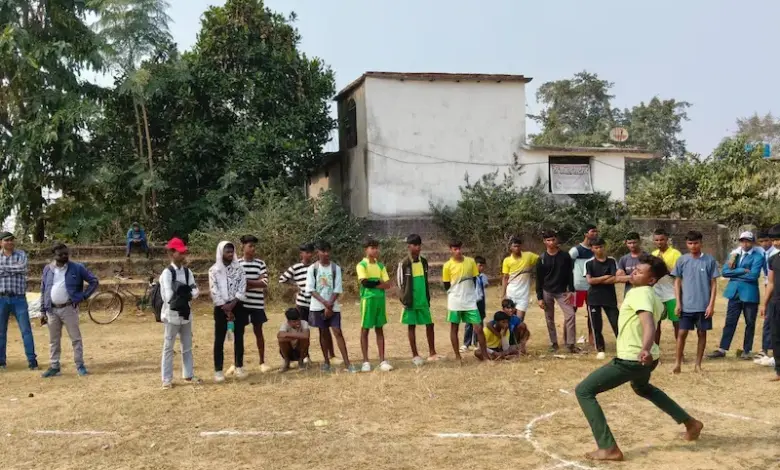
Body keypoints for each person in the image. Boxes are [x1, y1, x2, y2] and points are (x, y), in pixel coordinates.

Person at [575, 254, 703, 462]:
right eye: (634, 269)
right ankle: (691, 423)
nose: (634, 272)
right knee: (643, 388)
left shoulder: (640, 294)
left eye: (640, 271)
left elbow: (648, 324)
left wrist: (644, 348)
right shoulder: (653, 296)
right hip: (648, 359)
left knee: (584, 391)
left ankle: (608, 448)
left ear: (651, 280)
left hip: (632, 359)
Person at [40, 243, 99, 378]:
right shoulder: (48, 269)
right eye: (61, 254)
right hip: (52, 310)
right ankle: (54, 366)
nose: (64, 256)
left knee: (75, 339)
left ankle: (80, 365)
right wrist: (42, 311)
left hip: (69, 309)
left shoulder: (77, 268)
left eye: (66, 253)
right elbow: (43, 290)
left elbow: (94, 281)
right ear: (54, 255)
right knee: (54, 340)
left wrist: (83, 296)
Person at [280, 243, 339, 364]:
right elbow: (282, 279)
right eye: (306, 252)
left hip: (317, 303)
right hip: (302, 303)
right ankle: (305, 356)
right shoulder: (296, 268)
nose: (309, 255)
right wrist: (296, 285)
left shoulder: (316, 267)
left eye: (311, 252)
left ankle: (331, 355)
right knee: (302, 329)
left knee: (324, 329)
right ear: (301, 254)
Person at [708, 231, 763, 360]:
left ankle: (747, 350)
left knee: (750, 323)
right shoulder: (734, 255)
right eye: (743, 241)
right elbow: (725, 272)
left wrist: (735, 274)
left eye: (748, 241)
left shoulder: (758, 256)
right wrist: (742, 270)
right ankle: (722, 349)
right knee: (730, 321)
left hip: (749, 294)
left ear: (752, 242)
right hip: (734, 293)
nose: (745, 243)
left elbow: (754, 275)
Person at [672, 231, 719, 374]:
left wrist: (711, 305)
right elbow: (677, 282)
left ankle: (698, 365)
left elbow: (713, 284)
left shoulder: (709, 260)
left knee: (702, 333)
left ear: (701, 243)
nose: (693, 246)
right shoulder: (682, 260)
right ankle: (677, 363)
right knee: (682, 333)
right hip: (686, 305)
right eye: (690, 243)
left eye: (696, 243)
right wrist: (678, 303)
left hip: (703, 306)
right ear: (686, 244)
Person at [306, 240, 357, 373]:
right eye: (323, 251)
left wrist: (329, 306)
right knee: (323, 332)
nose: (326, 254)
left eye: (328, 251)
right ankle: (326, 362)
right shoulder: (312, 269)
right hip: (318, 306)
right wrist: (324, 303)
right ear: (318, 252)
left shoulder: (335, 268)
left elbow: (337, 289)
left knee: (337, 332)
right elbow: (311, 289)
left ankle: (347, 363)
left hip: (333, 305)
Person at [159, 238, 200, 389]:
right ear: (171, 253)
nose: (182, 255)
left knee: (187, 346)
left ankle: (188, 374)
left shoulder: (188, 272)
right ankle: (166, 379)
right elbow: (168, 296)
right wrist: (187, 293)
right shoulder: (167, 273)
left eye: (183, 252)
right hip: (171, 315)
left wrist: (184, 293)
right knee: (168, 347)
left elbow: (195, 291)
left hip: (186, 314)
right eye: (179, 252)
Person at [396, 234, 443, 365]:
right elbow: (399, 283)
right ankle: (415, 355)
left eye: (419, 245)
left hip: (423, 300)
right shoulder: (404, 263)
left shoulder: (424, 262)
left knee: (430, 324)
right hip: (410, 301)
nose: (417, 248)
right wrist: (404, 299)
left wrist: (427, 297)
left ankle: (432, 353)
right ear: (409, 246)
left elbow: (425, 281)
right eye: (414, 245)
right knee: (411, 326)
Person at [208, 241, 248, 382]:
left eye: (232, 252)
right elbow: (213, 289)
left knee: (239, 337)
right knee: (219, 339)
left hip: (237, 305)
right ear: (221, 253)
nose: (230, 254)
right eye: (227, 252)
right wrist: (224, 307)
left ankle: (239, 366)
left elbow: (242, 287)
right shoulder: (214, 270)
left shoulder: (239, 269)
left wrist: (233, 303)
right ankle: (218, 370)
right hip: (221, 308)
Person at [443, 240, 488, 362]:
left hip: (470, 301)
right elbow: (446, 285)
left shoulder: (470, 262)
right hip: (455, 301)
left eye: (459, 248)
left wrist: (469, 293)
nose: (458, 251)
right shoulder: (447, 265)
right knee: (454, 327)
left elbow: (474, 279)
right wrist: (456, 292)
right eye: (455, 249)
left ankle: (485, 356)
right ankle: (458, 357)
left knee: (478, 328)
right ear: (451, 250)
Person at [0, 231, 37, 370]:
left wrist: (3, 269)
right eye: (6, 240)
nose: (10, 242)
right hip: (1, 299)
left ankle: (32, 361)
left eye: (11, 240)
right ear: (1, 242)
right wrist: (14, 269)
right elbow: (18, 269)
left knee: (26, 331)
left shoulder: (21, 254)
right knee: (1, 332)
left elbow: (22, 268)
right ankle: (1, 362)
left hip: (19, 298)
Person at [536, 230, 577, 353]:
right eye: (548, 240)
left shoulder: (565, 256)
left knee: (571, 315)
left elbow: (570, 274)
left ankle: (570, 344)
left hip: (562, 291)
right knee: (549, 318)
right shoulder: (541, 258)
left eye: (553, 239)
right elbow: (539, 279)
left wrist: (571, 290)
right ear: (544, 242)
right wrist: (539, 298)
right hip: (547, 291)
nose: (551, 242)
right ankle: (553, 343)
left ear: (556, 240)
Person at [356, 239, 394, 372]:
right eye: (372, 248)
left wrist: (376, 283)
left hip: (379, 300)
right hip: (368, 300)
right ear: (366, 249)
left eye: (376, 247)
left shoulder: (380, 266)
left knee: (379, 329)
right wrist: (378, 282)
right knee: (365, 329)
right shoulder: (362, 265)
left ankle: (382, 360)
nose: (375, 250)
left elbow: (388, 284)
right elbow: (365, 283)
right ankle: (365, 361)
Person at [238, 235, 271, 373]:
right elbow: (236, 284)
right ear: (243, 247)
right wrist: (255, 282)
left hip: (257, 304)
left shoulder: (260, 264)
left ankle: (262, 362)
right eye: (250, 246)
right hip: (241, 304)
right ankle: (238, 363)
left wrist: (246, 282)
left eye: (254, 246)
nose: (253, 249)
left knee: (259, 332)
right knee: (239, 333)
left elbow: (264, 283)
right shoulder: (237, 264)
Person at [585, 238, 619, 360]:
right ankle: (600, 349)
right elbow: (590, 281)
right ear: (592, 249)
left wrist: (597, 280)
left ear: (604, 247)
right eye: (596, 247)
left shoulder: (611, 261)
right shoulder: (589, 263)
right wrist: (605, 277)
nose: (599, 249)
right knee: (596, 325)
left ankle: (623, 347)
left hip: (609, 297)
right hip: (594, 298)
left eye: (601, 247)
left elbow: (614, 278)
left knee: (617, 323)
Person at [651, 229, 682, 344]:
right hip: (656, 292)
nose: (659, 242)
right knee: (656, 323)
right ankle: (655, 350)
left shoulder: (675, 254)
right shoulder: (653, 254)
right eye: (657, 240)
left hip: (672, 292)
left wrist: (663, 264)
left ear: (667, 240)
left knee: (677, 322)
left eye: (662, 240)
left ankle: (679, 351)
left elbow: (678, 274)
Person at [759, 224, 780, 380]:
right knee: (776, 336)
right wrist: (764, 303)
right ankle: (779, 371)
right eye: (773, 240)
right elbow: (770, 283)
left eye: (778, 239)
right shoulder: (773, 259)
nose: (776, 243)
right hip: (776, 303)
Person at [502, 236, 540, 321]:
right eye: (515, 246)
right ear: (511, 247)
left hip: (523, 294)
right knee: (509, 318)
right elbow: (505, 278)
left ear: (521, 246)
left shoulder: (529, 256)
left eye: (518, 246)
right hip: (511, 293)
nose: (517, 248)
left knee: (519, 320)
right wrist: (503, 295)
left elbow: (542, 260)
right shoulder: (507, 260)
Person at [569, 225, 598, 319]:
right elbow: (567, 267)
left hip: (592, 287)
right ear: (585, 234)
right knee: (571, 313)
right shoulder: (575, 251)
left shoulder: (596, 250)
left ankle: (592, 330)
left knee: (593, 314)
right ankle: (568, 330)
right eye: (593, 231)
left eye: (596, 231)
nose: (595, 233)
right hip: (577, 287)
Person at [463, 255, 489, 352]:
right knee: (469, 323)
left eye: (483, 266)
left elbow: (485, 285)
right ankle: (466, 343)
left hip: (480, 302)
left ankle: (477, 342)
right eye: (480, 265)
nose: (482, 268)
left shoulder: (483, 277)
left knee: (480, 322)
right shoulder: (469, 276)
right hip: (471, 302)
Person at [277, 308, 311, 373]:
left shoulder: (304, 323)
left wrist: (287, 335)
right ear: (288, 322)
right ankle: (287, 361)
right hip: (289, 350)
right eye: (294, 322)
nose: (297, 323)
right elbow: (280, 337)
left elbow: (306, 336)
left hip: (300, 350)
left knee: (304, 340)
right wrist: (299, 336)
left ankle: (301, 361)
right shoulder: (285, 325)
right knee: (281, 341)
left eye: (298, 320)